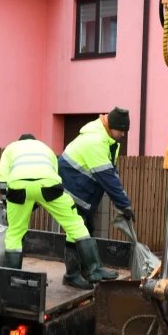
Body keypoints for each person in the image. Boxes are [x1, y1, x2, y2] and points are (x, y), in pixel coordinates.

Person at [0, 134, 108, 289]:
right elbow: (54, 175)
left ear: (19, 142)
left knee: (14, 233)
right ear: (35, 142)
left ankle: (13, 280)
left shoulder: (10, 148)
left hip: (18, 187)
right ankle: (95, 270)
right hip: (48, 184)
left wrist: (8, 207)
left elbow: (2, 180)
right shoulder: (45, 148)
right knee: (75, 224)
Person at [57, 108, 136, 282]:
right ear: (112, 126)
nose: (123, 134)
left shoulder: (109, 141)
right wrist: (124, 204)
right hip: (72, 188)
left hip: (81, 188)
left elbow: (111, 173)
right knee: (78, 230)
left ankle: (88, 271)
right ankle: (75, 274)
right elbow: (107, 177)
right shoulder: (95, 141)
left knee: (85, 228)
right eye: (122, 130)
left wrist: (121, 200)